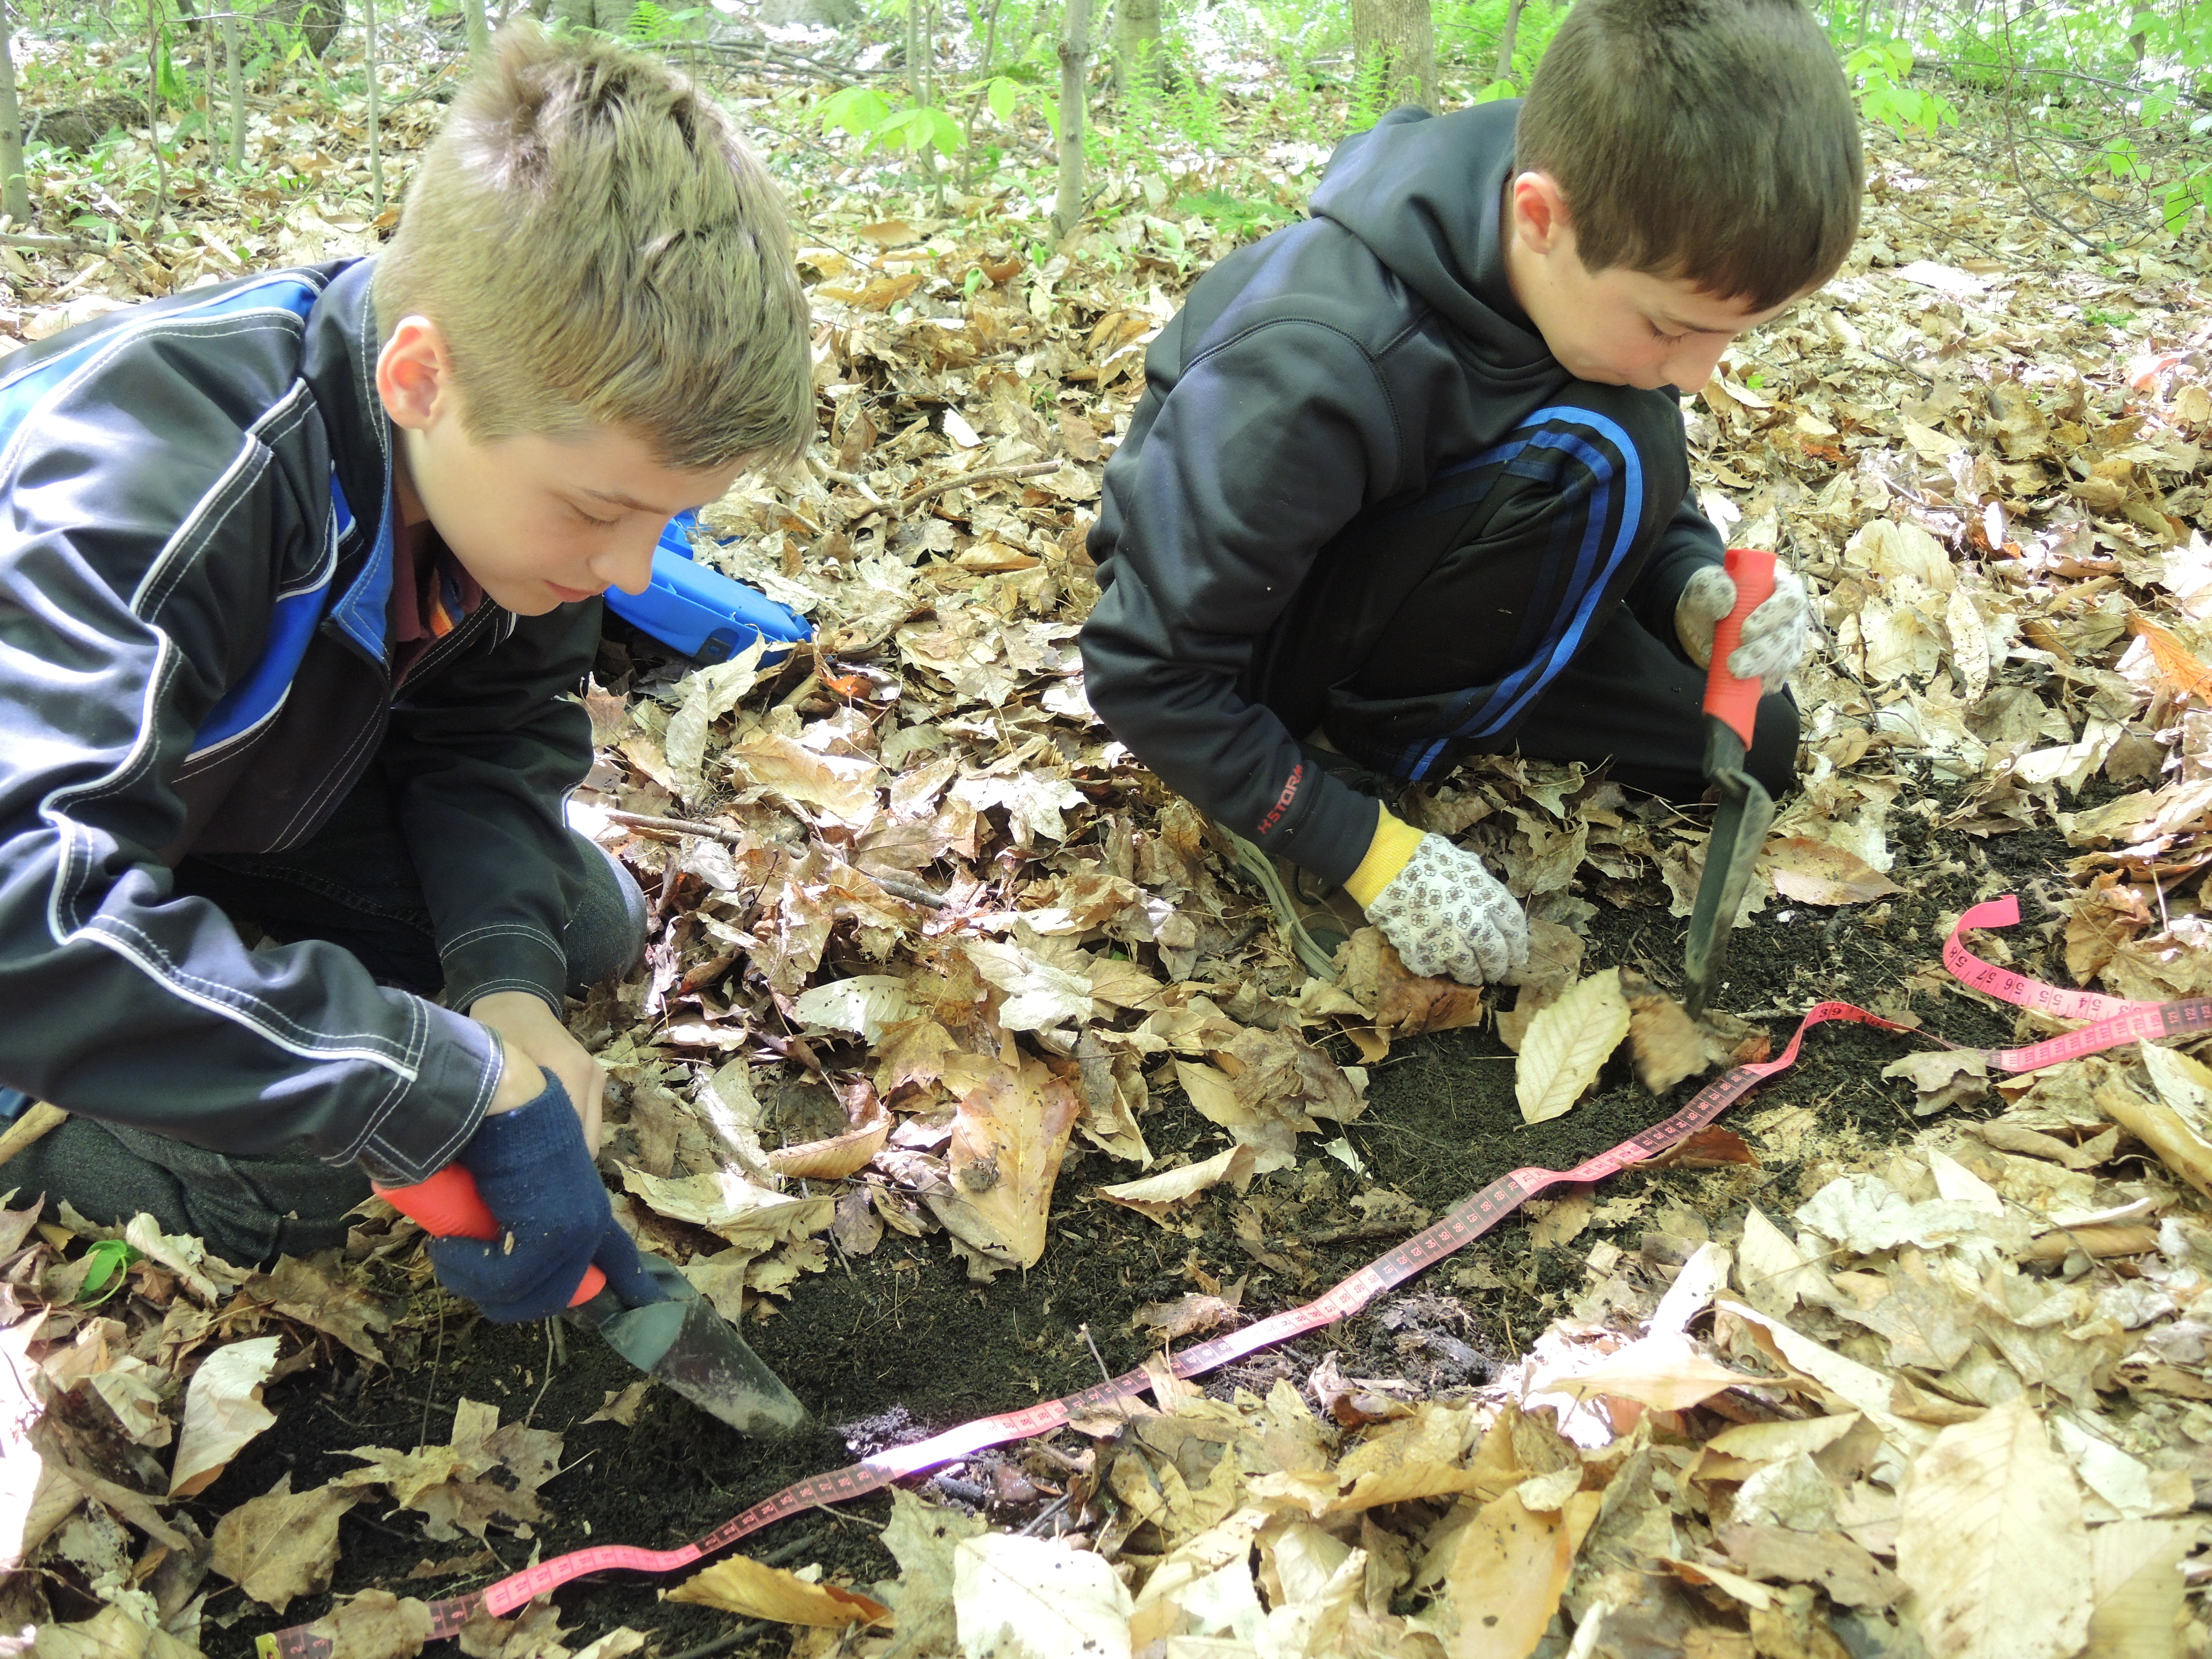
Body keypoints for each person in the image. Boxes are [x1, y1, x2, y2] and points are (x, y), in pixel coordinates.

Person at [0, 23, 812, 1316]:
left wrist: (502, 996)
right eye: (602, 509)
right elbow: (22, 914)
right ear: (419, 376)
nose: (627, 574)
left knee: (572, 925)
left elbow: (487, 740)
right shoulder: (160, 483)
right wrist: (425, 1081)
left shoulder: (505, 484)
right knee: (312, 1173)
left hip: (213, 791)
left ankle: (224, 979)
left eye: (666, 520)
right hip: (34, 874)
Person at [1078, 0, 1859, 986]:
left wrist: (1688, 585)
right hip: (1265, 654)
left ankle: (1451, 704)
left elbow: (1635, 463)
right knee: (1604, 428)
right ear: (1539, 217)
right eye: (1674, 328)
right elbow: (1145, 671)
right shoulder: (1313, 364)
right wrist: (1363, 848)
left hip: (1459, 564)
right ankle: (1336, 772)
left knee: (1758, 737)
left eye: (1734, 334)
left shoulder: (1601, 249)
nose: (1701, 373)